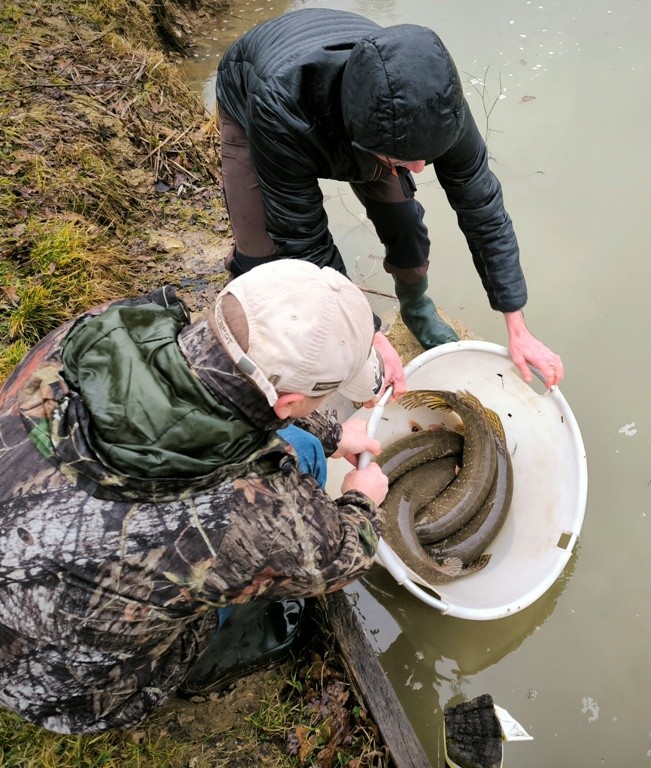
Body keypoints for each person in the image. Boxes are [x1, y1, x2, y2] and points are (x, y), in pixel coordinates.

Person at [0, 260, 390, 734]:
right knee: (285, 490)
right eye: (318, 398)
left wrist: (328, 431)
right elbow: (341, 560)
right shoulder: (252, 512)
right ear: (287, 403)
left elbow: (220, 390)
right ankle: (211, 658)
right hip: (64, 692)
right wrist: (361, 499)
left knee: (304, 447)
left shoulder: (99, 333)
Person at [214, 7, 565, 398]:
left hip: (380, 111)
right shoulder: (278, 105)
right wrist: (369, 336)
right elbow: (303, 237)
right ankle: (252, 344)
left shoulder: (437, 106)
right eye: (405, 158)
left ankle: (416, 306)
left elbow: (483, 208)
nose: (418, 167)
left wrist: (517, 324)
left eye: (426, 156)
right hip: (254, 97)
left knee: (404, 222)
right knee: (264, 250)